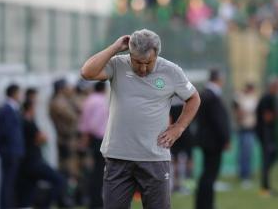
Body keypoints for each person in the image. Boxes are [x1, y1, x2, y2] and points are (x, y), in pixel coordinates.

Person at [81, 29, 200, 209]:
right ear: (129, 54)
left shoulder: (171, 71)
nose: (143, 69)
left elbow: (194, 98)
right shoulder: (117, 64)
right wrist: (114, 47)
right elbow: (87, 72)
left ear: (157, 56)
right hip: (118, 156)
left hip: (155, 157)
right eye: (137, 62)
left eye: (148, 63)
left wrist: (178, 127)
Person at [17, 100, 67, 208]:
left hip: (25, 163)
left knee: (28, 194)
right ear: (30, 108)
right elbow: (43, 138)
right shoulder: (29, 123)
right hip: (34, 162)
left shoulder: (21, 122)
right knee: (60, 181)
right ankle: (44, 205)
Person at [195, 68, 230, 209]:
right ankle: (206, 205)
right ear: (219, 79)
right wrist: (225, 138)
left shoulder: (205, 94)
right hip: (213, 142)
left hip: (207, 141)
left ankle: (204, 204)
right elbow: (218, 121)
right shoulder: (212, 96)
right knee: (209, 175)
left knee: (207, 175)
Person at [0, 84, 25, 209]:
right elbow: (6, 131)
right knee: (7, 182)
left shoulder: (13, 109)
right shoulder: (7, 109)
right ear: (14, 93)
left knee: (10, 182)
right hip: (9, 150)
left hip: (13, 150)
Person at [79, 81, 109, 209]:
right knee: (100, 172)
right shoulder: (104, 101)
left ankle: (93, 199)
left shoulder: (88, 100)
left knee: (94, 171)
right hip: (102, 138)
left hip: (91, 139)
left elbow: (84, 123)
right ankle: (98, 201)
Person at [255, 77, 278, 196]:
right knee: (267, 160)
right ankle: (264, 187)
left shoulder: (269, 98)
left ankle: (266, 185)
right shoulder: (268, 98)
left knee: (271, 157)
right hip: (265, 133)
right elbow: (267, 117)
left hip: (266, 132)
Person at [233, 82, 258, 187]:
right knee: (243, 153)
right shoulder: (241, 97)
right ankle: (243, 175)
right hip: (243, 128)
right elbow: (238, 110)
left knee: (247, 153)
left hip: (249, 129)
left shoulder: (252, 99)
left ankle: (246, 174)